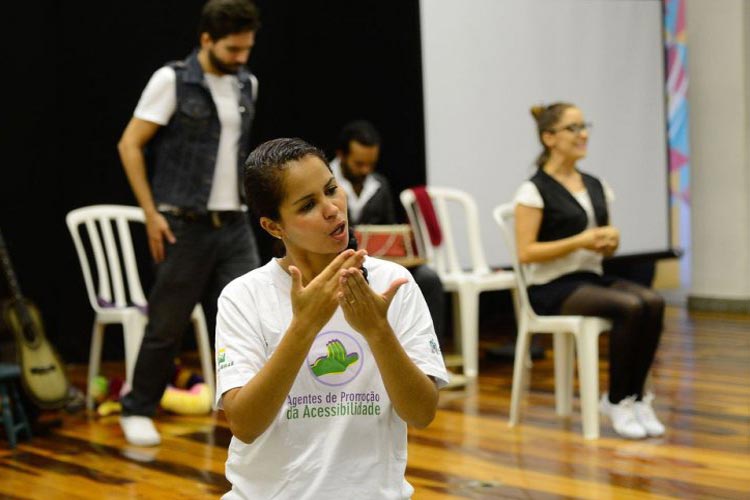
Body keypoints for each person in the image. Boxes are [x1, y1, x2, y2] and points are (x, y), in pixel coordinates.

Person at [215, 137, 448, 498]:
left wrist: (377, 332)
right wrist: (304, 326)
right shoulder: (244, 296)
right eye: (308, 205)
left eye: (331, 190)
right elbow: (245, 425)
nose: (332, 209)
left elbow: (421, 413)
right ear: (274, 227)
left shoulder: (393, 283)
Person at [116, 0, 262, 447]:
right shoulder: (173, 80)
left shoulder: (247, 84)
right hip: (185, 221)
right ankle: (137, 407)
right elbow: (130, 144)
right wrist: (151, 212)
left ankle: (255, 407)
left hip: (234, 221)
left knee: (252, 315)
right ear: (206, 40)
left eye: (247, 48)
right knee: (167, 323)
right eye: (233, 49)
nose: (241, 58)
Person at [513, 102, 666, 440]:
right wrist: (580, 240)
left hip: (589, 279)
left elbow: (604, 245)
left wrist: (609, 241)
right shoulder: (533, 190)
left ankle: (637, 397)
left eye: (585, 127)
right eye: (573, 128)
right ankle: (616, 400)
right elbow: (526, 253)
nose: (583, 135)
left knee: (653, 302)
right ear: (549, 137)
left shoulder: (595, 185)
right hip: (550, 287)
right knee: (629, 306)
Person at [329, 121, 456, 368]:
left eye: (370, 164)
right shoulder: (324, 184)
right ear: (341, 155)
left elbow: (389, 228)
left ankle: (427, 361)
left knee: (428, 278)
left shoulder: (380, 184)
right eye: (358, 164)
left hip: (377, 261)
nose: (365, 170)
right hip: (335, 262)